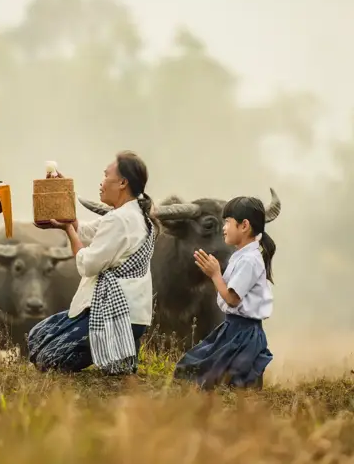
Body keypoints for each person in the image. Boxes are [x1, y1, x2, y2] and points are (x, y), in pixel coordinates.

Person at [27, 151, 159, 375]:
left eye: (106, 175)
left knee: (47, 358)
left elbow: (87, 265)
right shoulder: (136, 214)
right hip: (131, 315)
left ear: (123, 183)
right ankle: (118, 353)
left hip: (114, 315)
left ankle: (114, 351)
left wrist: (68, 230)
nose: (102, 182)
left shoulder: (119, 219)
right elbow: (85, 231)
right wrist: (63, 194)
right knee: (37, 336)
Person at [173, 196, 277, 390]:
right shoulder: (242, 257)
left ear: (244, 226)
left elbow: (232, 299)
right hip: (232, 329)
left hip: (243, 334)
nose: (224, 228)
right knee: (193, 369)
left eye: (227, 222)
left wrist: (215, 275)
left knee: (235, 385)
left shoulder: (249, 261)